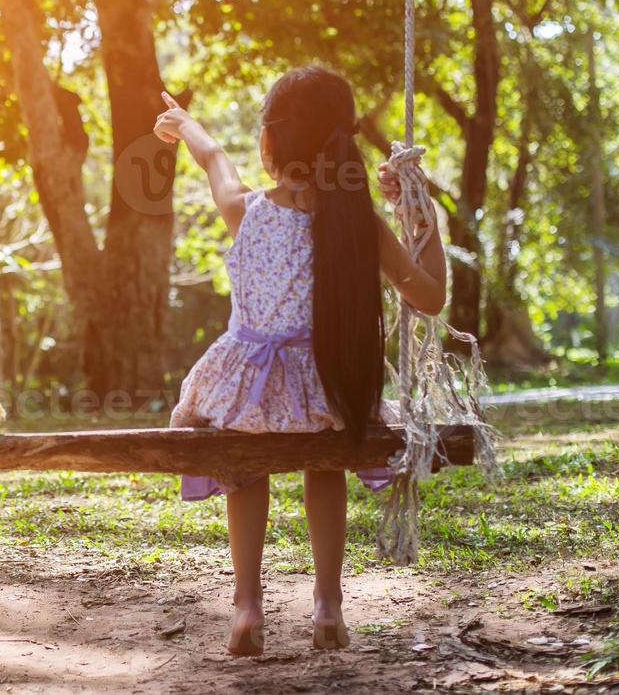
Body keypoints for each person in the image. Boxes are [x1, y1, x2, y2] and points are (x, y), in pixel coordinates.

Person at [153, 65, 447, 656]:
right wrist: (425, 221)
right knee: (325, 464)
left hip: (246, 389)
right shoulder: (358, 227)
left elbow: (212, 159)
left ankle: (246, 606)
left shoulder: (246, 209)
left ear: (270, 144)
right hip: (326, 387)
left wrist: (186, 125)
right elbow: (431, 297)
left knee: (244, 468)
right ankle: (327, 606)